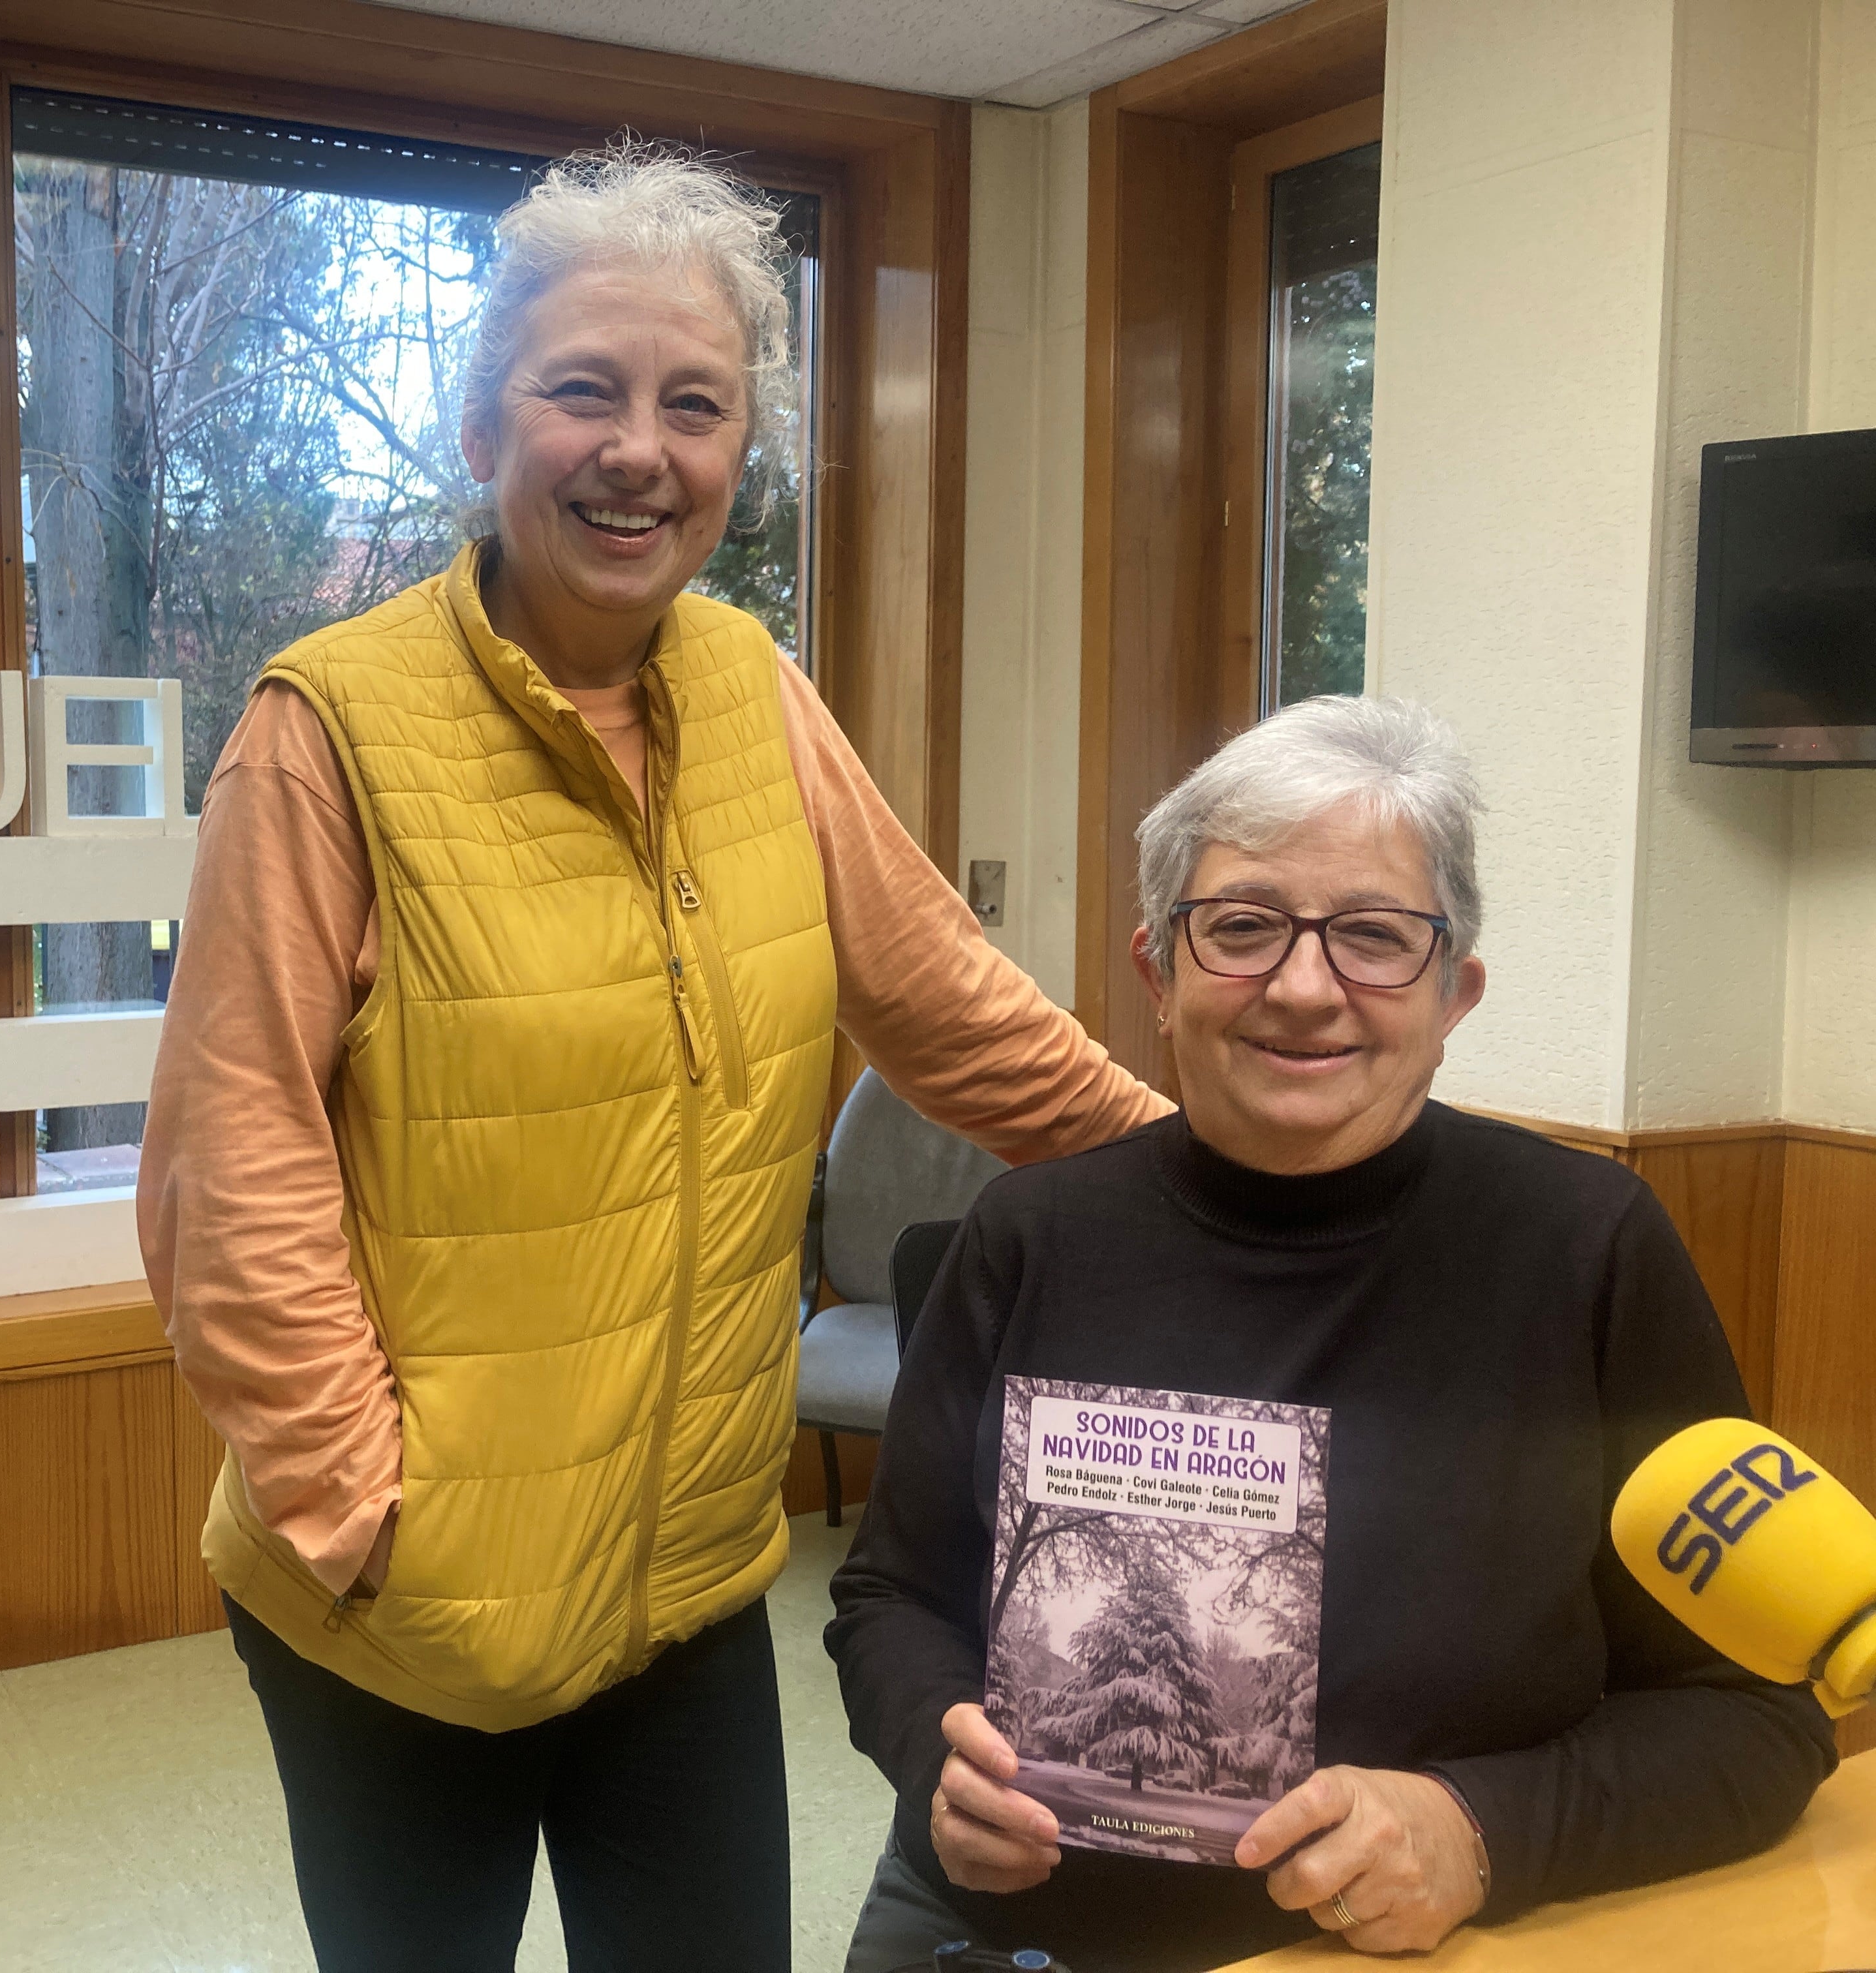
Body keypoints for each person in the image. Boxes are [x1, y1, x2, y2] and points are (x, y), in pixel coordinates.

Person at [138, 142, 1167, 1973]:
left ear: (737, 456)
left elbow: (949, 1006)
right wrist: (363, 1510)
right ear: (483, 427)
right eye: (584, 392)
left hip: (686, 1584)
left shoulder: (750, 685)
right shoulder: (327, 733)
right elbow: (234, 1169)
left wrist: (1224, 1174)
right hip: (401, 1612)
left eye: (696, 406)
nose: (642, 449)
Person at [826, 696, 1839, 1972]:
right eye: (1242, 928)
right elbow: (890, 1601)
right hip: (1014, 1936)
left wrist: (1485, 1829)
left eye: (1372, 937)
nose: (1305, 990)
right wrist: (935, 1756)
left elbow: (1757, 1717)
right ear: (1159, 970)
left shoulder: (1590, 1251)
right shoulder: (1030, 1238)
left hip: (1405, 1953)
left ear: (1455, 988)